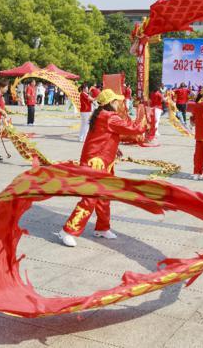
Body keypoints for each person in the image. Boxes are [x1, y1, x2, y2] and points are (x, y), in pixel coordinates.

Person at [57, 89, 146, 247]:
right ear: (111, 103)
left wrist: (114, 147)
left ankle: (102, 228)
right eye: (117, 101)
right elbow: (135, 129)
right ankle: (68, 230)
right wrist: (142, 113)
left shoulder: (101, 115)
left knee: (104, 196)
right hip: (96, 163)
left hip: (103, 161)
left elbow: (103, 136)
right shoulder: (109, 117)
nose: (120, 103)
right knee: (90, 198)